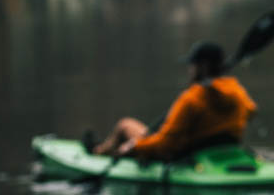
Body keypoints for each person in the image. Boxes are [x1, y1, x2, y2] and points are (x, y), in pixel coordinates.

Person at [90, 42, 258, 159]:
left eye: (192, 65)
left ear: (202, 67)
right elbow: (251, 112)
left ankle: (97, 152)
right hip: (224, 150)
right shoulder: (238, 92)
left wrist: (135, 146)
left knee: (125, 125)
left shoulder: (191, 98)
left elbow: (166, 144)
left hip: (186, 154)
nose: (189, 70)